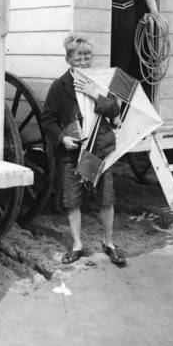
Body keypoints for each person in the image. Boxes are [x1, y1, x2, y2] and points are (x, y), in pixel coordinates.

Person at [41, 35, 127, 266]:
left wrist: (95, 93)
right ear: (68, 59)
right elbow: (48, 119)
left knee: (106, 199)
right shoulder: (60, 87)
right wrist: (62, 138)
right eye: (78, 57)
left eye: (87, 56)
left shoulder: (101, 81)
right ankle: (77, 245)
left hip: (99, 149)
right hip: (73, 153)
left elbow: (114, 110)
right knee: (72, 200)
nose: (84, 60)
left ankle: (109, 243)